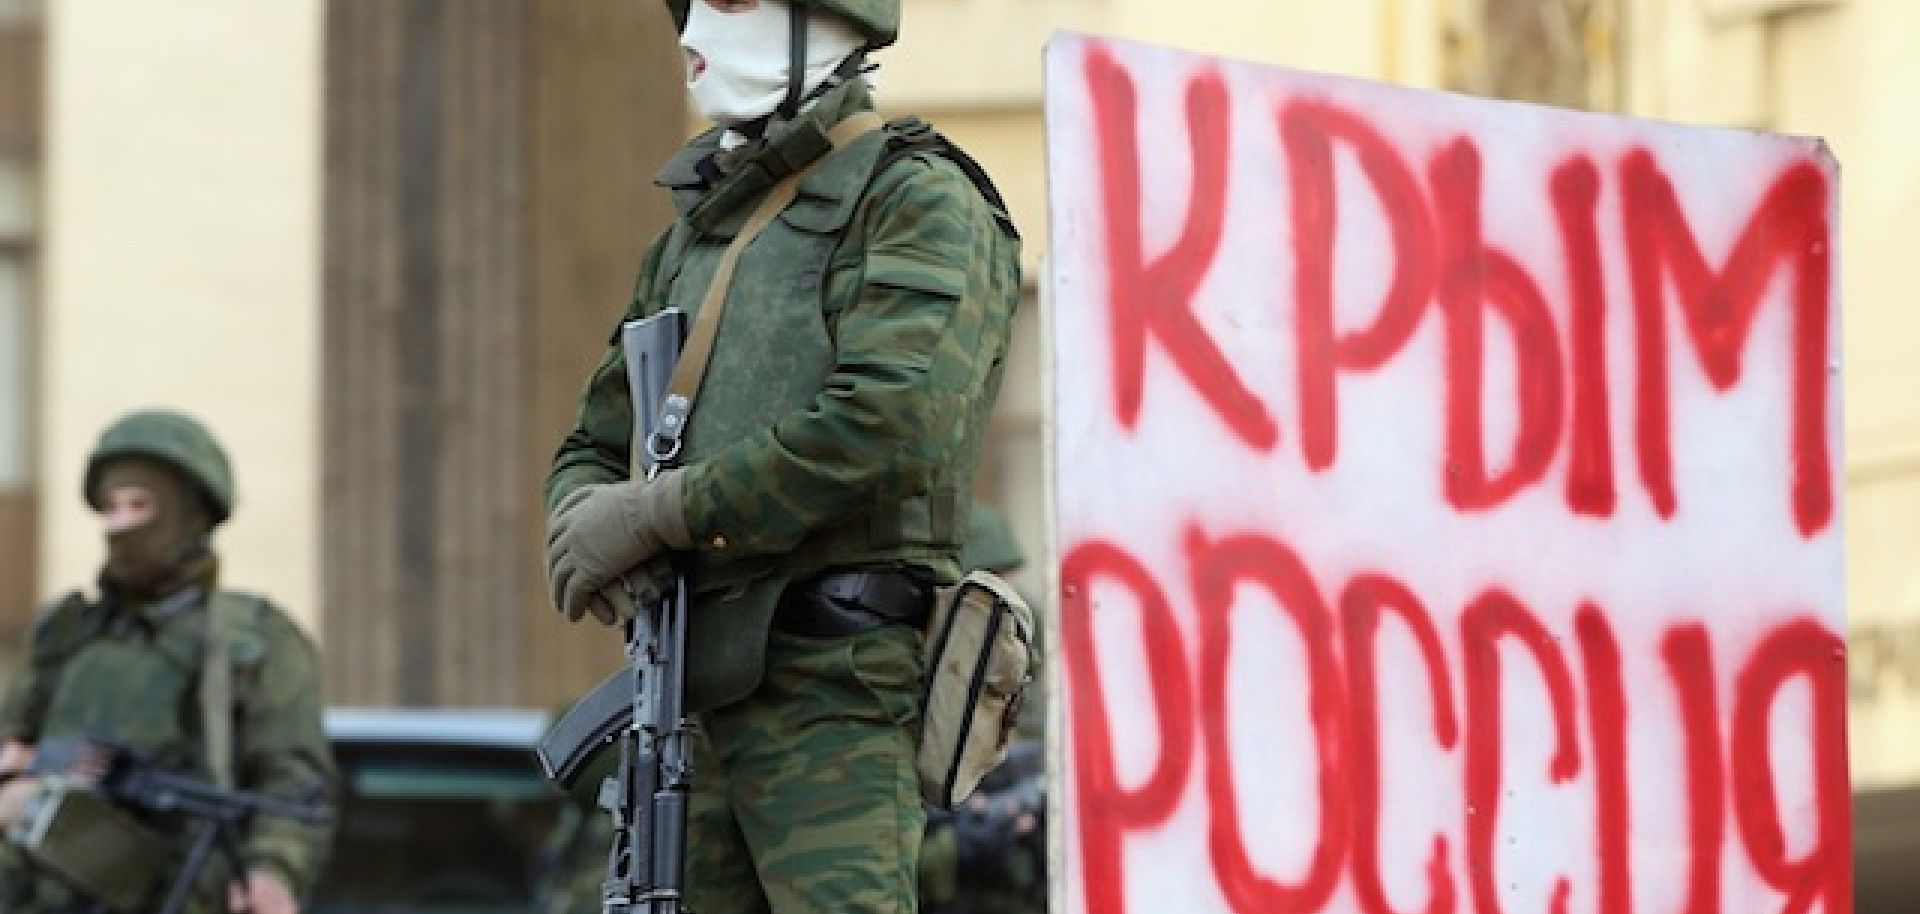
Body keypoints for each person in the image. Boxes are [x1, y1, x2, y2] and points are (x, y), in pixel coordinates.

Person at [540, 0, 1021, 910]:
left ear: (830, 19)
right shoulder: (694, 236)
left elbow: (891, 424)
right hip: (688, 688)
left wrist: (657, 516)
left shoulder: (915, 198)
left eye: (728, 5)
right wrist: (581, 523)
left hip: (834, 692)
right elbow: (595, 438)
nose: (692, 41)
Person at [0, 409, 337, 914]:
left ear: (192, 515)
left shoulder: (251, 641)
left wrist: (273, 871)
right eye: (109, 509)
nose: (120, 526)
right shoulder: (66, 636)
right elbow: (12, 745)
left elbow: (292, 784)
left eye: (141, 506)